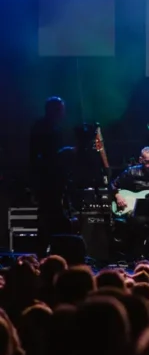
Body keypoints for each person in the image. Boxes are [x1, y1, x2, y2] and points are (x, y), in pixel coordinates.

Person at [112, 146, 149, 258]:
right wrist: (118, 196)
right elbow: (113, 185)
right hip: (132, 209)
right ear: (140, 160)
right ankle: (136, 254)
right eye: (147, 161)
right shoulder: (130, 172)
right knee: (139, 220)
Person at [29, 97, 71, 254]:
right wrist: (64, 153)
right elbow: (41, 155)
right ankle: (49, 252)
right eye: (61, 109)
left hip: (54, 180)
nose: (64, 113)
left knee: (53, 216)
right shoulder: (43, 128)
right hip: (47, 181)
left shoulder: (54, 128)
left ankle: (52, 251)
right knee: (51, 217)